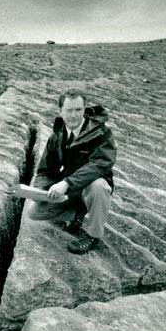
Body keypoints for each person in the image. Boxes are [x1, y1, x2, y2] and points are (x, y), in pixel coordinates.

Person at [25, 89, 116, 254]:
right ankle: (76, 215)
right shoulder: (57, 136)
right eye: (69, 110)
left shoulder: (101, 133)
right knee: (33, 211)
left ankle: (93, 236)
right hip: (70, 191)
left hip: (89, 188)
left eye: (78, 110)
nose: (73, 115)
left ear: (84, 109)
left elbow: (101, 164)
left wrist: (66, 183)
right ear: (60, 111)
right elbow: (45, 170)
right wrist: (42, 192)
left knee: (99, 186)